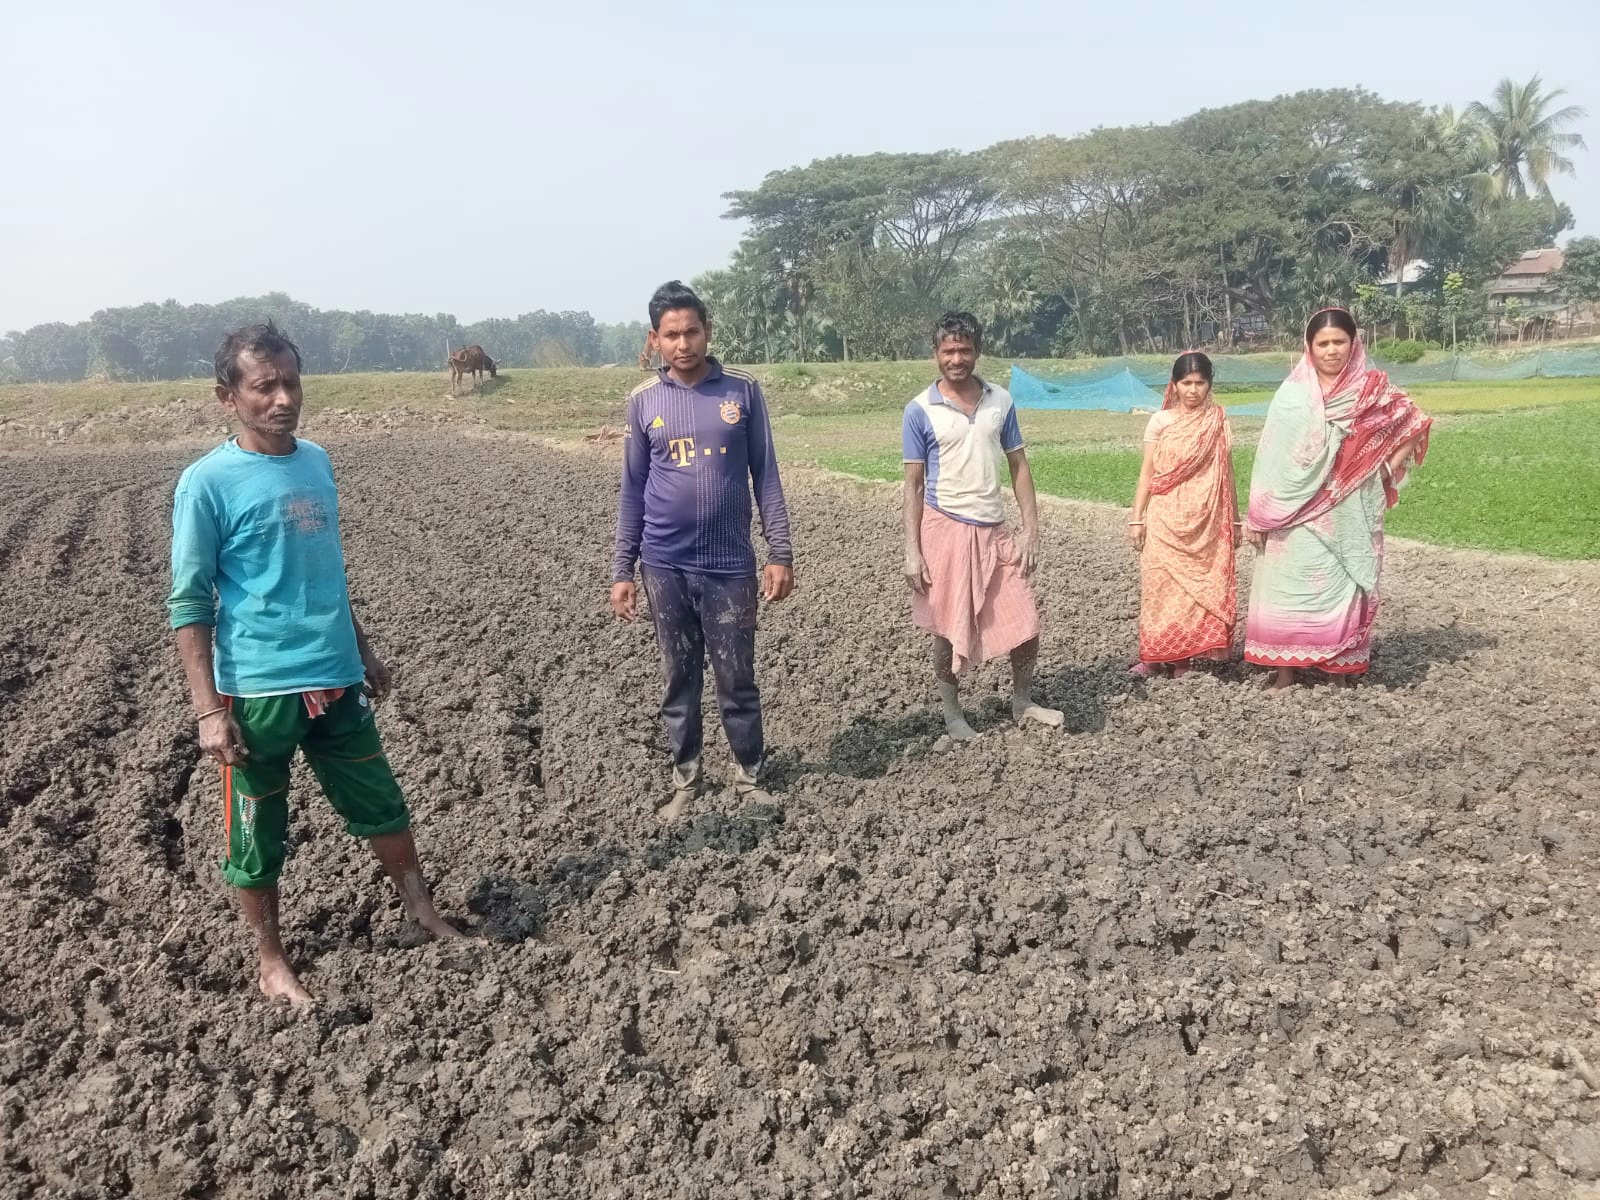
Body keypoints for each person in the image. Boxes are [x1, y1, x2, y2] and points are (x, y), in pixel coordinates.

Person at [168, 322, 459, 1007]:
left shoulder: (317, 461)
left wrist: (362, 647)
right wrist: (208, 710)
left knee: (382, 802)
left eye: (290, 382)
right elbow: (188, 601)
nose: (281, 399)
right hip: (260, 692)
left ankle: (423, 911)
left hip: (336, 677)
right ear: (227, 396)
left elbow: (324, 569)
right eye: (262, 386)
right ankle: (271, 961)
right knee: (257, 832)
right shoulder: (207, 484)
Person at [611, 281, 795, 820]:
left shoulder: (742, 391)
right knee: (679, 672)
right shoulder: (644, 401)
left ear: (707, 332)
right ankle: (686, 776)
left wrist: (779, 552)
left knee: (736, 674)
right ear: (655, 339)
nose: (683, 343)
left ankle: (747, 774)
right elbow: (632, 488)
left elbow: (767, 476)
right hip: (664, 563)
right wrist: (623, 567)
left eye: (692, 331)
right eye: (671, 334)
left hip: (730, 564)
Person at [1244, 308, 1433, 690]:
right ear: (1309, 348)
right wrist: (1263, 514)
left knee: (1343, 583)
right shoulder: (1292, 395)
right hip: (1295, 510)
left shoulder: (1372, 389)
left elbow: (1414, 421)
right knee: (1291, 583)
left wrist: (1385, 468)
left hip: (1351, 506)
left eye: (1339, 342)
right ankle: (1285, 671)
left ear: (1354, 343)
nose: (1332, 350)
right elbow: (1272, 455)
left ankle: (1339, 670)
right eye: (1323, 343)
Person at [902, 312, 1063, 739]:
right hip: (945, 528)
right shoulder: (919, 410)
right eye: (949, 350)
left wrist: (1032, 529)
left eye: (965, 349)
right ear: (935, 353)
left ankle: (1022, 700)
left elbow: (1018, 465)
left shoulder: (1001, 401)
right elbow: (913, 485)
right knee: (947, 625)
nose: (957, 358)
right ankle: (953, 715)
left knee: (1026, 620)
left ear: (978, 351)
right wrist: (912, 549)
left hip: (994, 529)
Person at [1128, 352, 1241, 678]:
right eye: (1186, 383)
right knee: (1158, 588)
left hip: (1205, 520)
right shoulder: (1160, 422)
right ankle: (1151, 658)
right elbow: (1147, 474)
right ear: (1174, 385)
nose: (1193, 390)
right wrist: (1137, 518)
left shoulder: (1217, 420)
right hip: (1164, 518)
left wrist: (1235, 520)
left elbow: (1227, 473)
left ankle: (1182, 662)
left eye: (1200, 383)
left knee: (1191, 594)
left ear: (1209, 385)